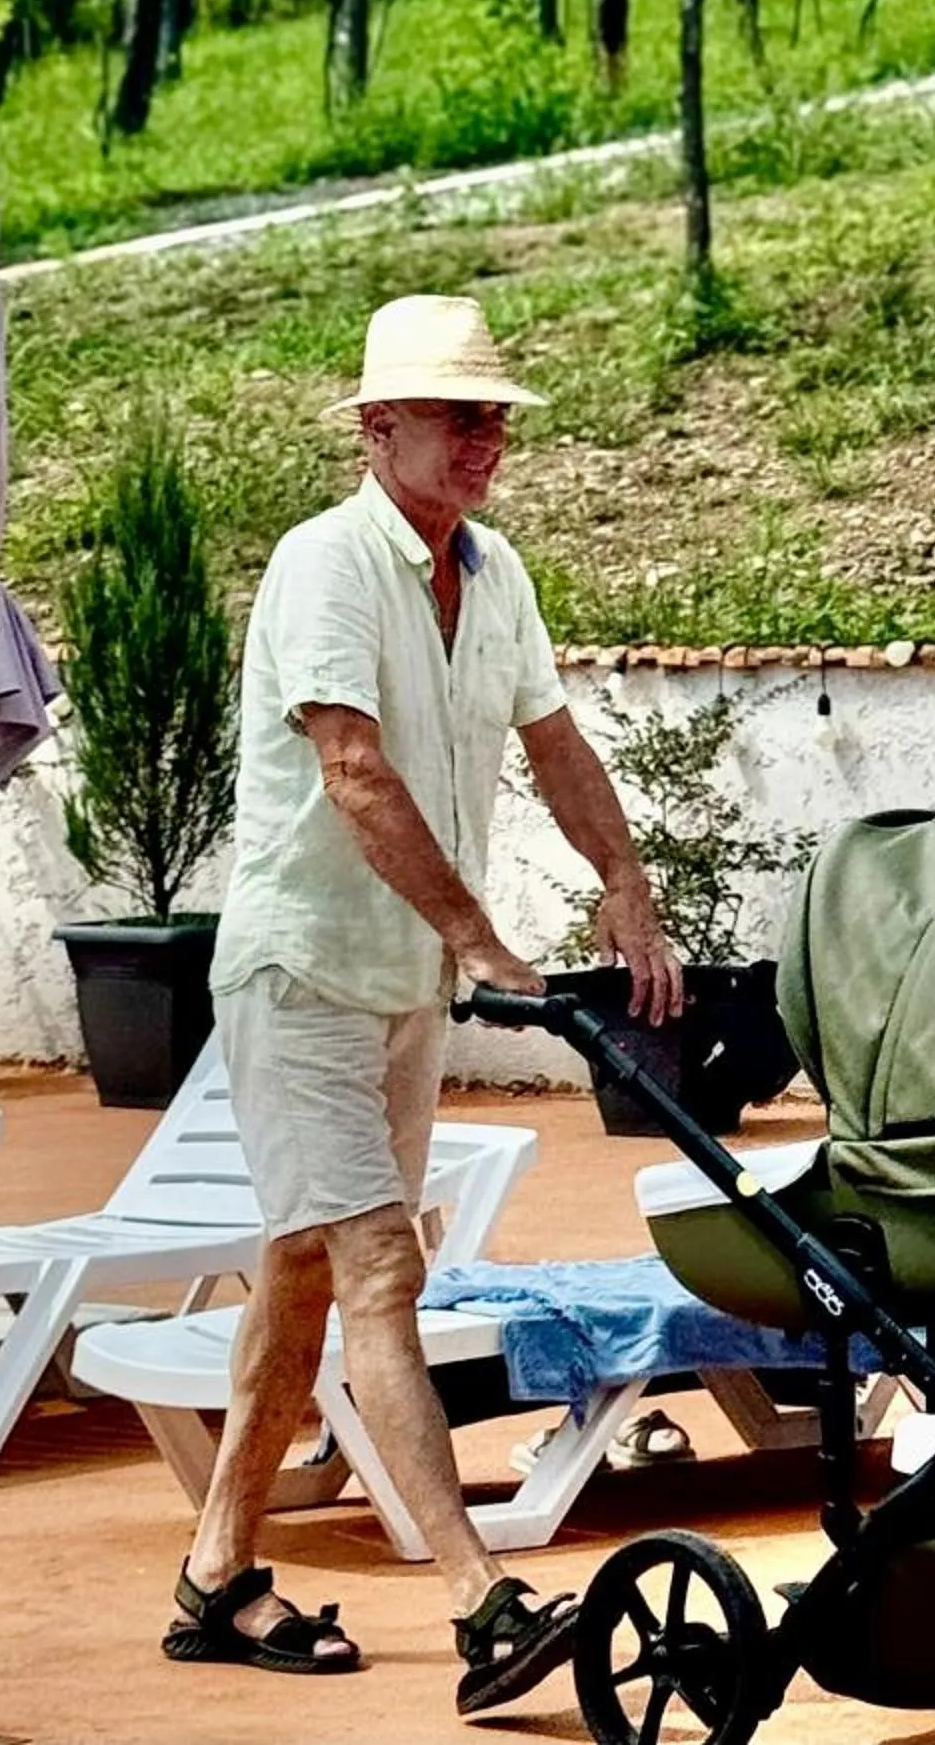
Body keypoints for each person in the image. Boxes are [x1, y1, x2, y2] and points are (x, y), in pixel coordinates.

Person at [162, 291, 682, 1719]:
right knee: (382, 1270)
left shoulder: (494, 573)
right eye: (462, 415)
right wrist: (487, 937)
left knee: (305, 1273)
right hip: (302, 974)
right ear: (380, 427)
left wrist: (624, 881)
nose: (487, 438)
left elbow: (557, 739)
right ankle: (481, 1596)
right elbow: (354, 773)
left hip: (401, 987)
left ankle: (215, 1575)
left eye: (497, 415)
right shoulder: (326, 567)